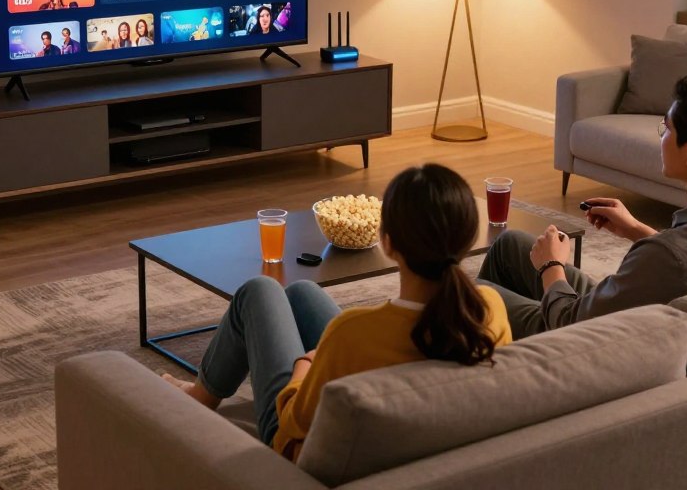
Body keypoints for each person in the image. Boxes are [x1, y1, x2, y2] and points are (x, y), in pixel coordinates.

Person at [162, 163, 512, 462]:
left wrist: (305, 367)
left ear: (387, 242)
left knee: (260, 290)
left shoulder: (352, 334)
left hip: (291, 446)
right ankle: (201, 390)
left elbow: (290, 422)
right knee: (301, 292)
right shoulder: (487, 308)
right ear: (467, 238)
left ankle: (198, 398)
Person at [479, 73, 687, 339]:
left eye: (666, 129)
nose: (662, 137)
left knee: (469, 295)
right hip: (640, 319)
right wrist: (638, 230)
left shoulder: (664, 258)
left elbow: (568, 323)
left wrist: (551, 266)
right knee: (510, 244)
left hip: (578, 341)